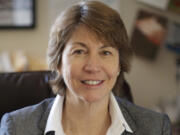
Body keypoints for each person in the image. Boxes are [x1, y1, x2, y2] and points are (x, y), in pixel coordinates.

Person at [0, 1, 171, 135]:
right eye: (79, 51)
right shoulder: (17, 128)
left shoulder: (155, 128)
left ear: (119, 65)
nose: (93, 66)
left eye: (105, 52)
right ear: (58, 62)